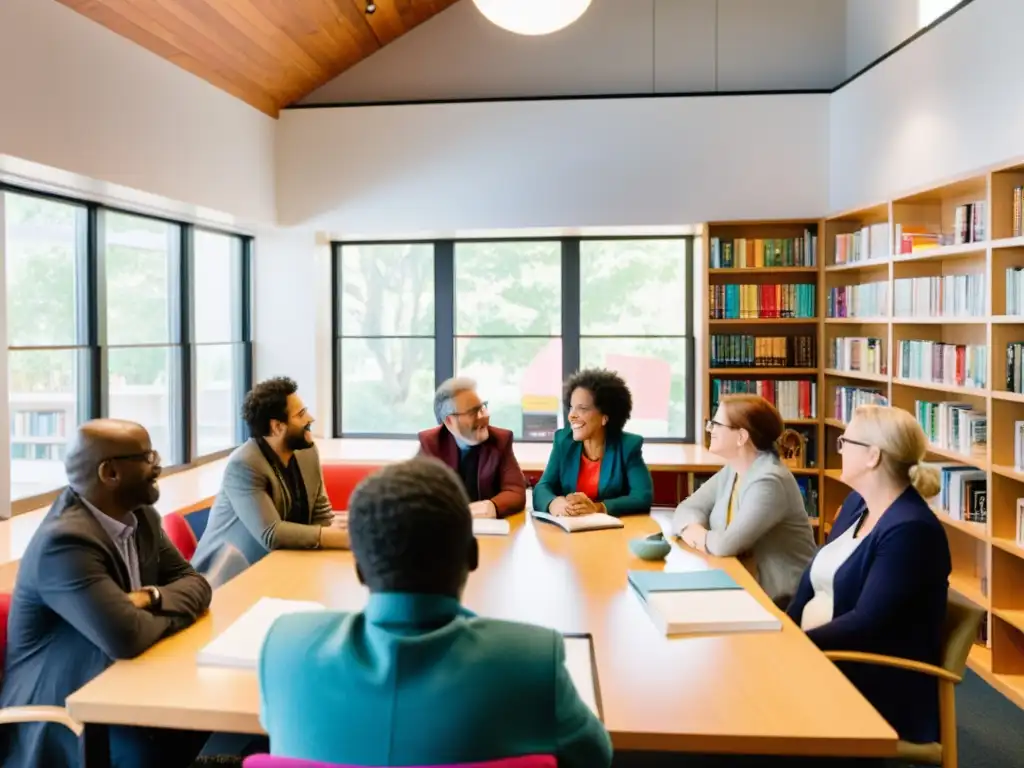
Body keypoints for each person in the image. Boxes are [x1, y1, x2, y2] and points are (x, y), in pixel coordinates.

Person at [258, 458, 612, 767]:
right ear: (472, 557)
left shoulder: (284, 647)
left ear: (360, 570)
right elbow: (595, 756)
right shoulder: (533, 659)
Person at [0, 420, 212, 768]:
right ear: (110, 472)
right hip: (67, 715)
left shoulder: (141, 518)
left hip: (126, 687)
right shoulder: (65, 542)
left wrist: (152, 599)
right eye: (147, 457)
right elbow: (126, 637)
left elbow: (197, 583)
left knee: (207, 728)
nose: (157, 466)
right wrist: (157, 614)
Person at [787, 404, 950, 745]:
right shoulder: (856, 505)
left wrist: (792, 645)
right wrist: (783, 629)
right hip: (824, 656)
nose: (840, 449)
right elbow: (814, 577)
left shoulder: (910, 529)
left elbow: (868, 624)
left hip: (870, 678)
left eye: (846, 442)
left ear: (873, 456)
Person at [192, 376, 348, 575]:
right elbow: (271, 533)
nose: (310, 418)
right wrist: (343, 539)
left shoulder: (306, 451)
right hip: (225, 577)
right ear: (277, 427)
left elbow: (321, 515)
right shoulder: (243, 465)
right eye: (301, 414)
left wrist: (343, 530)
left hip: (282, 567)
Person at [672, 394, 816, 607]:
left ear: (741, 437)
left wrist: (694, 534)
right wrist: (695, 532)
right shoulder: (734, 469)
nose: (710, 429)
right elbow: (688, 507)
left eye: (716, 424)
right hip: (738, 584)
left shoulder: (769, 481)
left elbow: (726, 545)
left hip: (779, 602)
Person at [532, 368, 652, 517]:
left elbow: (642, 498)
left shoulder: (628, 446)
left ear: (605, 417)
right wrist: (553, 503)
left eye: (582, 409)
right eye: (571, 408)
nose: (571, 416)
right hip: (569, 531)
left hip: (614, 532)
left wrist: (598, 508)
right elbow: (542, 488)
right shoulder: (563, 441)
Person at [417, 377, 526, 518]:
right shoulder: (431, 444)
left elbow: (516, 491)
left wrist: (493, 506)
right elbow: (415, 494)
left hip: (489, 530)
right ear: (449, 421)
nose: (485, 416)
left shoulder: (500, 440)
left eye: (483, 407)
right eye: (474, 411)